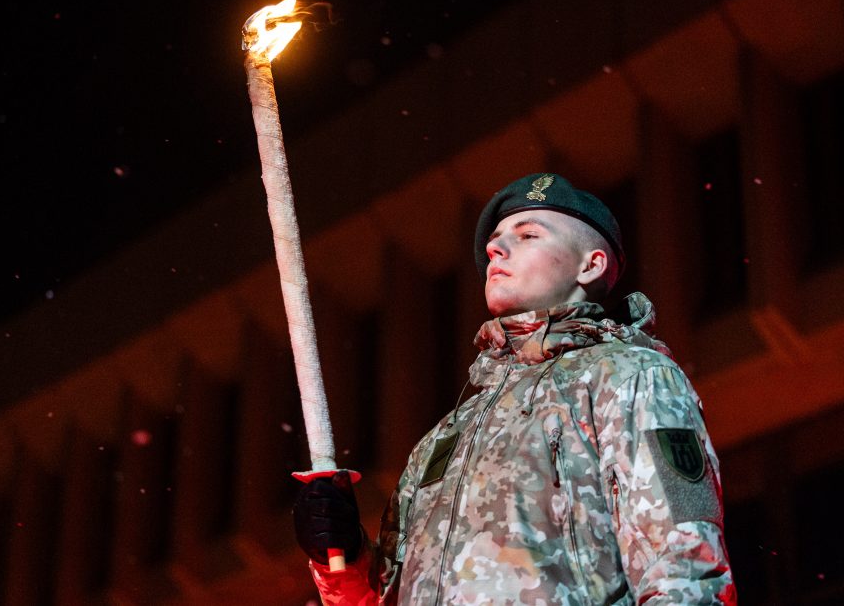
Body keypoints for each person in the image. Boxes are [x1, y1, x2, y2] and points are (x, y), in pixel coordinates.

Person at [293, 173, 736, 605]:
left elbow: (685, 568)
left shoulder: (632, 376)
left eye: (527, 235)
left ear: (591, 264)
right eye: (496, 239)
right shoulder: (448, 434)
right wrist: (344, 555)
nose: (495, 247)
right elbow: (380, 595)